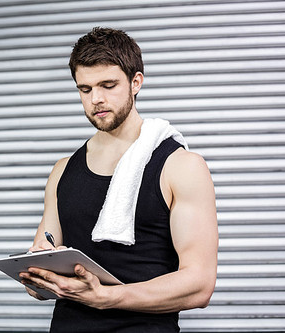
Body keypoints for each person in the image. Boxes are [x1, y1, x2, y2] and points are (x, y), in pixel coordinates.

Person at [19, 27, 218, 332]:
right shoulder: (62, 171)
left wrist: (107, 297)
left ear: (136, 82)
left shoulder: (180, 167)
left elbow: (200, 284)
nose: (96, 99)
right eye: (85, 89)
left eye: (108, 85)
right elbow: (38, 278)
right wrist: (37, 277)